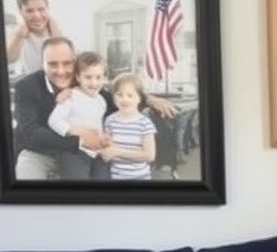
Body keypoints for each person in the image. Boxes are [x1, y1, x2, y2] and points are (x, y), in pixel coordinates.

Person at [12, 37, 177, 182]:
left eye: (67, 63)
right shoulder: (27, 87)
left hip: (85, 152)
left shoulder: (84, 82)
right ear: (42, 64)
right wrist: (80, 141)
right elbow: (30, 133)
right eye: (52, 64)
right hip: (41, 151)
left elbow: (116, 95)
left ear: (75, 63)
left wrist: (148, 99)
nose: (61, 71)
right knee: (26, 180)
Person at [47, 50, 110, 182]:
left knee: (103, 179)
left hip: (96, 151)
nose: (94, 83)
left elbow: (97, 124)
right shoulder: (71, 96)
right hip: (75, 151)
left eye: (98, 77)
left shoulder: (101, 101)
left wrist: (102, 137)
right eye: (88, 77)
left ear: (104, 77)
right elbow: (54, 120)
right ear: (78, 77)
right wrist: (73, 129)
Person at [99, 72, 157, 182]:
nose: (124, 99)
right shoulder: (110, 121)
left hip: (140, 177)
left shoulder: (145, 123)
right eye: (119, 95)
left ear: (139, 98)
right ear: (114, 96)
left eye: (130, 95)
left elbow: (150, 156)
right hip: (115, 176)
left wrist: (119, 152)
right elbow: (108, 148)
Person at [5, 0, 62, 76]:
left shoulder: (54, 29)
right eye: (29, 11)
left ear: (48, 9)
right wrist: (19, 35)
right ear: (20, 12)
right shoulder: (17, 33)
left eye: (41, 9)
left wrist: (57, 36)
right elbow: (8, 59)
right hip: (29, 82)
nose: (37, 15)